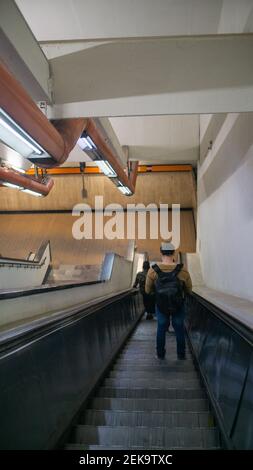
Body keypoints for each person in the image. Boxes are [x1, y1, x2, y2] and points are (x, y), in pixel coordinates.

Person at [145, 243, 192, 360]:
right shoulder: (183, 270)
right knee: (179, 327)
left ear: (161, 253)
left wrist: (157, 294)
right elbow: (189, 290)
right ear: (173, 253)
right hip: (178, 305)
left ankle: (160, 354)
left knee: (161, 328)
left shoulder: (153, 270)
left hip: (161, 305)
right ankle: (181, 355)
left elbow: (147, 290)